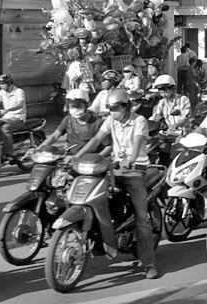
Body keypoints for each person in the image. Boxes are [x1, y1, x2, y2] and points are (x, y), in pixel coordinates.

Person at [75, 89, 159, 279]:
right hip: (113, 169)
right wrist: (77, 156)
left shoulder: (139, 121)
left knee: (142, 219)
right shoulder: (111, 121)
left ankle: (149, 263)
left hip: (135, 170)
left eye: (115, 108)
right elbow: (96, 139)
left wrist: (131, 159)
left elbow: (137, 142)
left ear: (125, 106)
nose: (112, 112)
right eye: (110, 109)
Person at [37, 89, 104, 153]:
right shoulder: (68, 120)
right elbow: (54, 136)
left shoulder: (97, 122)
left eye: (79, 107)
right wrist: (38, 149)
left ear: (87, 105)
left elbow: (107, 146)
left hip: (90, 157)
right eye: (72, 107)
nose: (75, 110)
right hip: (71, 154)